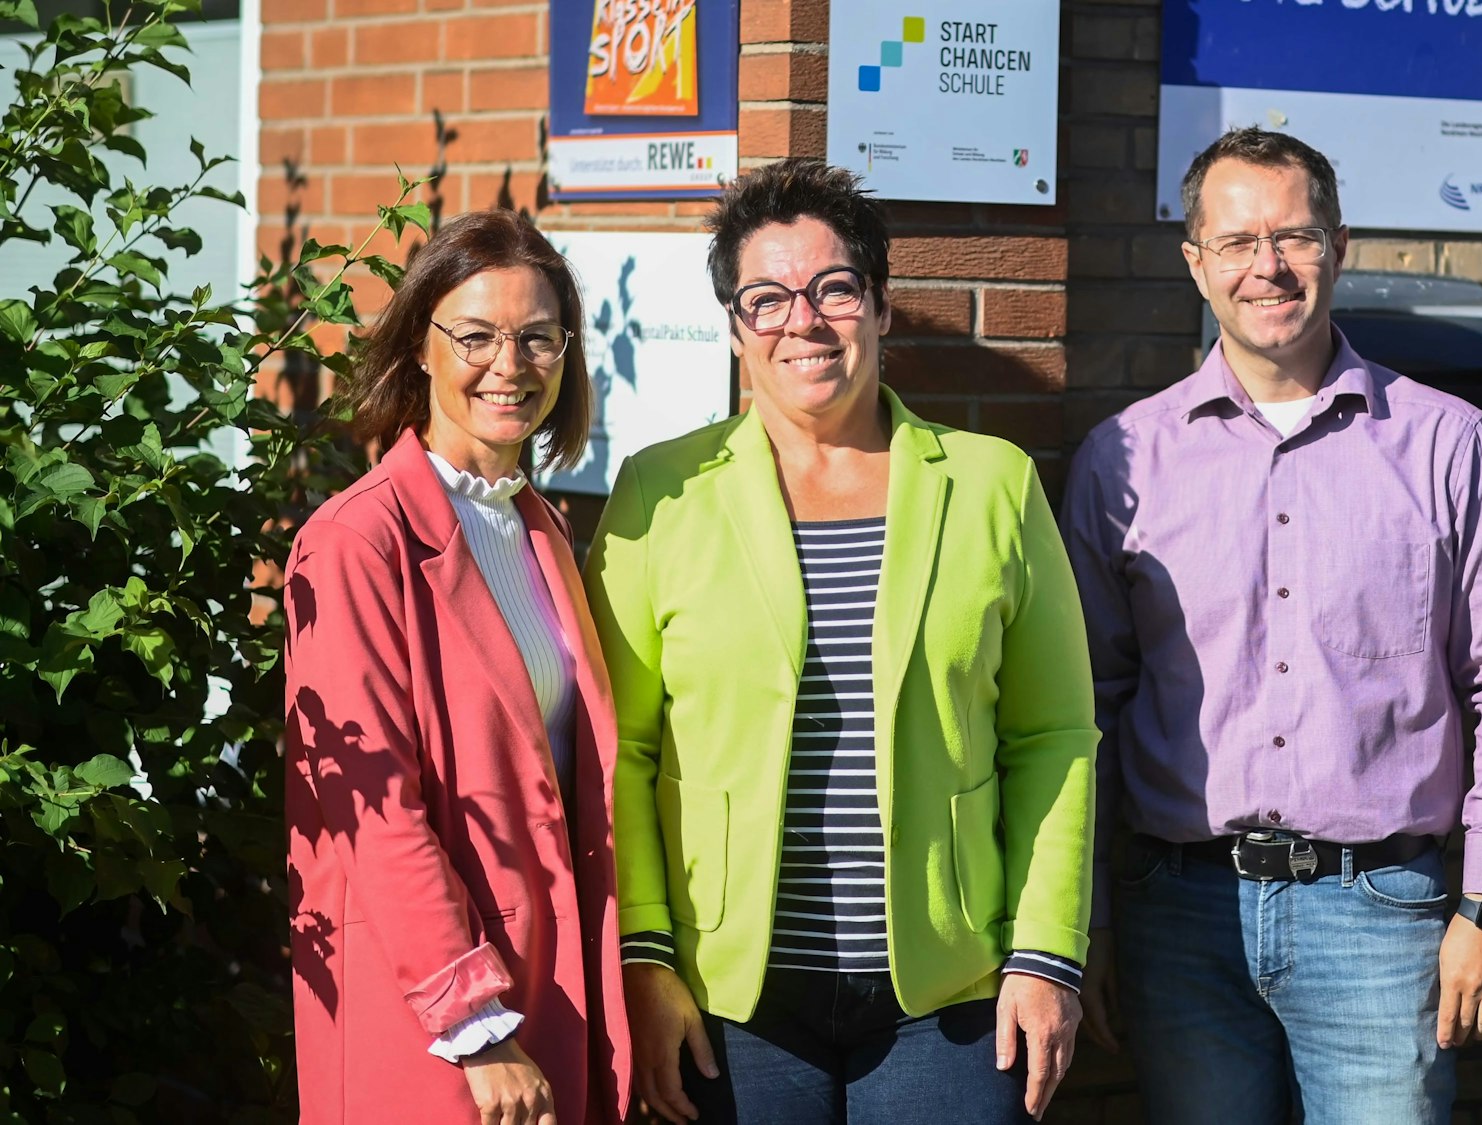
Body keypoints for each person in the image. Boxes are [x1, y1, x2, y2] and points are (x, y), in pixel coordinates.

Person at [1060, 126, 1482, 1125]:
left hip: (1382, 915)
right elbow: (1083, 712)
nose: (1267, 267)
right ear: (1194, 262)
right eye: (1238, 241)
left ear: (1338, 245)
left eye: (1292, 237)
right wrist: (1091, 925)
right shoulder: (1122, 461)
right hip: (1180, 914)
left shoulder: (1445, 445)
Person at [584, 158, 1097, 1125]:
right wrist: (644, 958)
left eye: (834, 288)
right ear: (735, 328)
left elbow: (1054, 734)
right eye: (766, 297)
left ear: (882, 306)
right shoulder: (663, 493)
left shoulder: (992, 485)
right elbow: (624, 749)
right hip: (730, 999)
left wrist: (1046, 950)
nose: (803, 321)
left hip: (947, 999)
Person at [285, 209, 631, 1125]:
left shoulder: (540, 526)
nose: (509, 364)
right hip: (438, 1010)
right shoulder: (356, 539)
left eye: (537, 337)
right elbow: (371, 808)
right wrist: (475, 1020)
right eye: (475, 335)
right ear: (421, 349)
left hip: (551, 976)